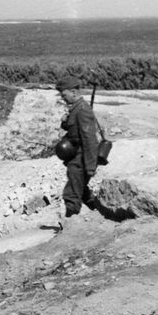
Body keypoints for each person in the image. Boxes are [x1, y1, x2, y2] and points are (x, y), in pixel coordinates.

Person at [55, 76, 99, 226]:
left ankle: (69, 226)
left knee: (72, 193)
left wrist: (91, 166)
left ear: (73, 92)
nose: (63, 98)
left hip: (81, 158)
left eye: (64, 95)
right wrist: (64, 121)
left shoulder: (82, 110)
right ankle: (104, 212)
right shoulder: (75, 109)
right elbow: (73, 129)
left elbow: (90, 140)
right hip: (75, 157)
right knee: (82, 190)